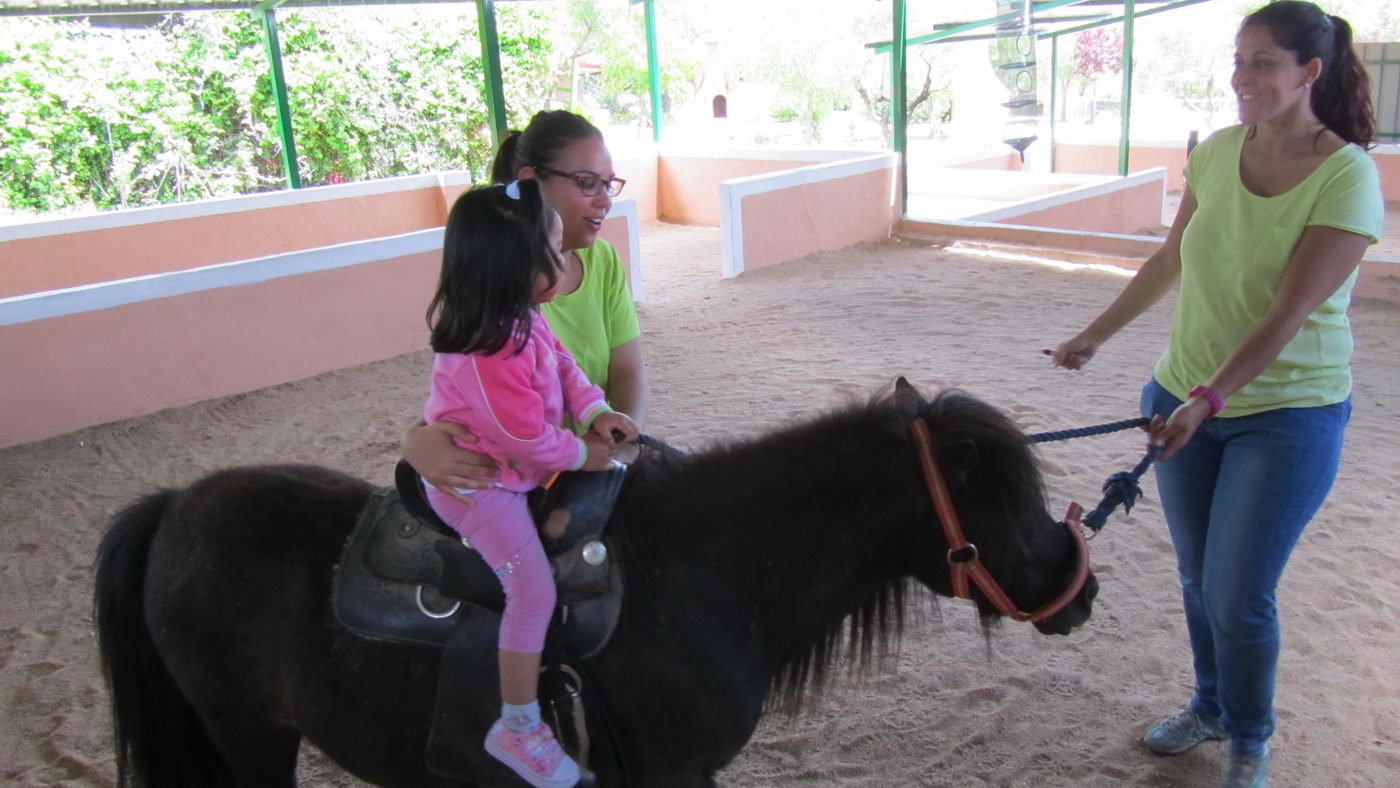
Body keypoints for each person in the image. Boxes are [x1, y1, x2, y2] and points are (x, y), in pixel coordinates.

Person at [1051, 3, 1381, 786]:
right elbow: (1171, 260)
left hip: (1286, 413)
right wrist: (1094, 334)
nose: (1243, 77)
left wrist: (1210, 399)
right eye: (1239, 60)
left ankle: (1249, 742)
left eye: (1263, 62)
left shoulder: (1346, 175)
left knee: (1239, 592)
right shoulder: (1215, 153)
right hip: (1179, 397)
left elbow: (1288, 314)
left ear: (1310, 72)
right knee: (1199, 577)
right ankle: (1210, 705)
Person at [422, 179, 638, 788]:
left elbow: (566, 368)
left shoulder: (523, 317)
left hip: (519, 467)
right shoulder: (484, 352)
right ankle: (517, 726)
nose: (563, 258)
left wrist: (596, 411)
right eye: (551, 250)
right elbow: (521, 437)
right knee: (533, 592)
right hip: (482, 484)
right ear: (510, 268)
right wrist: (581, 452)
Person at [405, 111, 647, 498]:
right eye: (587, 184)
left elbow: (627, 373)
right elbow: (471, 388)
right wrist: (414, 441)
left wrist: (618, 440)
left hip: (592, 456)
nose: (605, 201)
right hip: (520, 471)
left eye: (608, 184)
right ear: (531, 182)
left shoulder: (602, 260)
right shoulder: (498, 287)